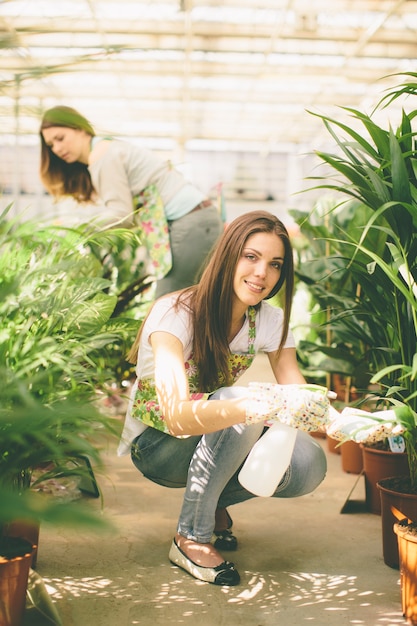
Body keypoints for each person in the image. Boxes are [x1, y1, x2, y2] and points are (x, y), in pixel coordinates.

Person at [118, 210, 330, 586]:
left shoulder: (269, 320)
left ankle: (211, 499)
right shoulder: (176, 313)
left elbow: (300, 394)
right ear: (228, 256)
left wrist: (341, 421)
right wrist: (250, 406)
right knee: (237, 401)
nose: (262, 273)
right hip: (158, 445)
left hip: (213, 439)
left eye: (275, 263)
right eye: (251, 257)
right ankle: (191, 537)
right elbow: (177, 416)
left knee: (309, 462)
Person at [39, 106, 223, 297]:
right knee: (186, 304)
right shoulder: (107, 147)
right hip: (199, 221)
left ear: (80, 129)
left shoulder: (102, 155)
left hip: (191, 223)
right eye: (51, 145)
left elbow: (121, 215)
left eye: (60, 138)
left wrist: (76, 230)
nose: (57, 149)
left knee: (166, 305)